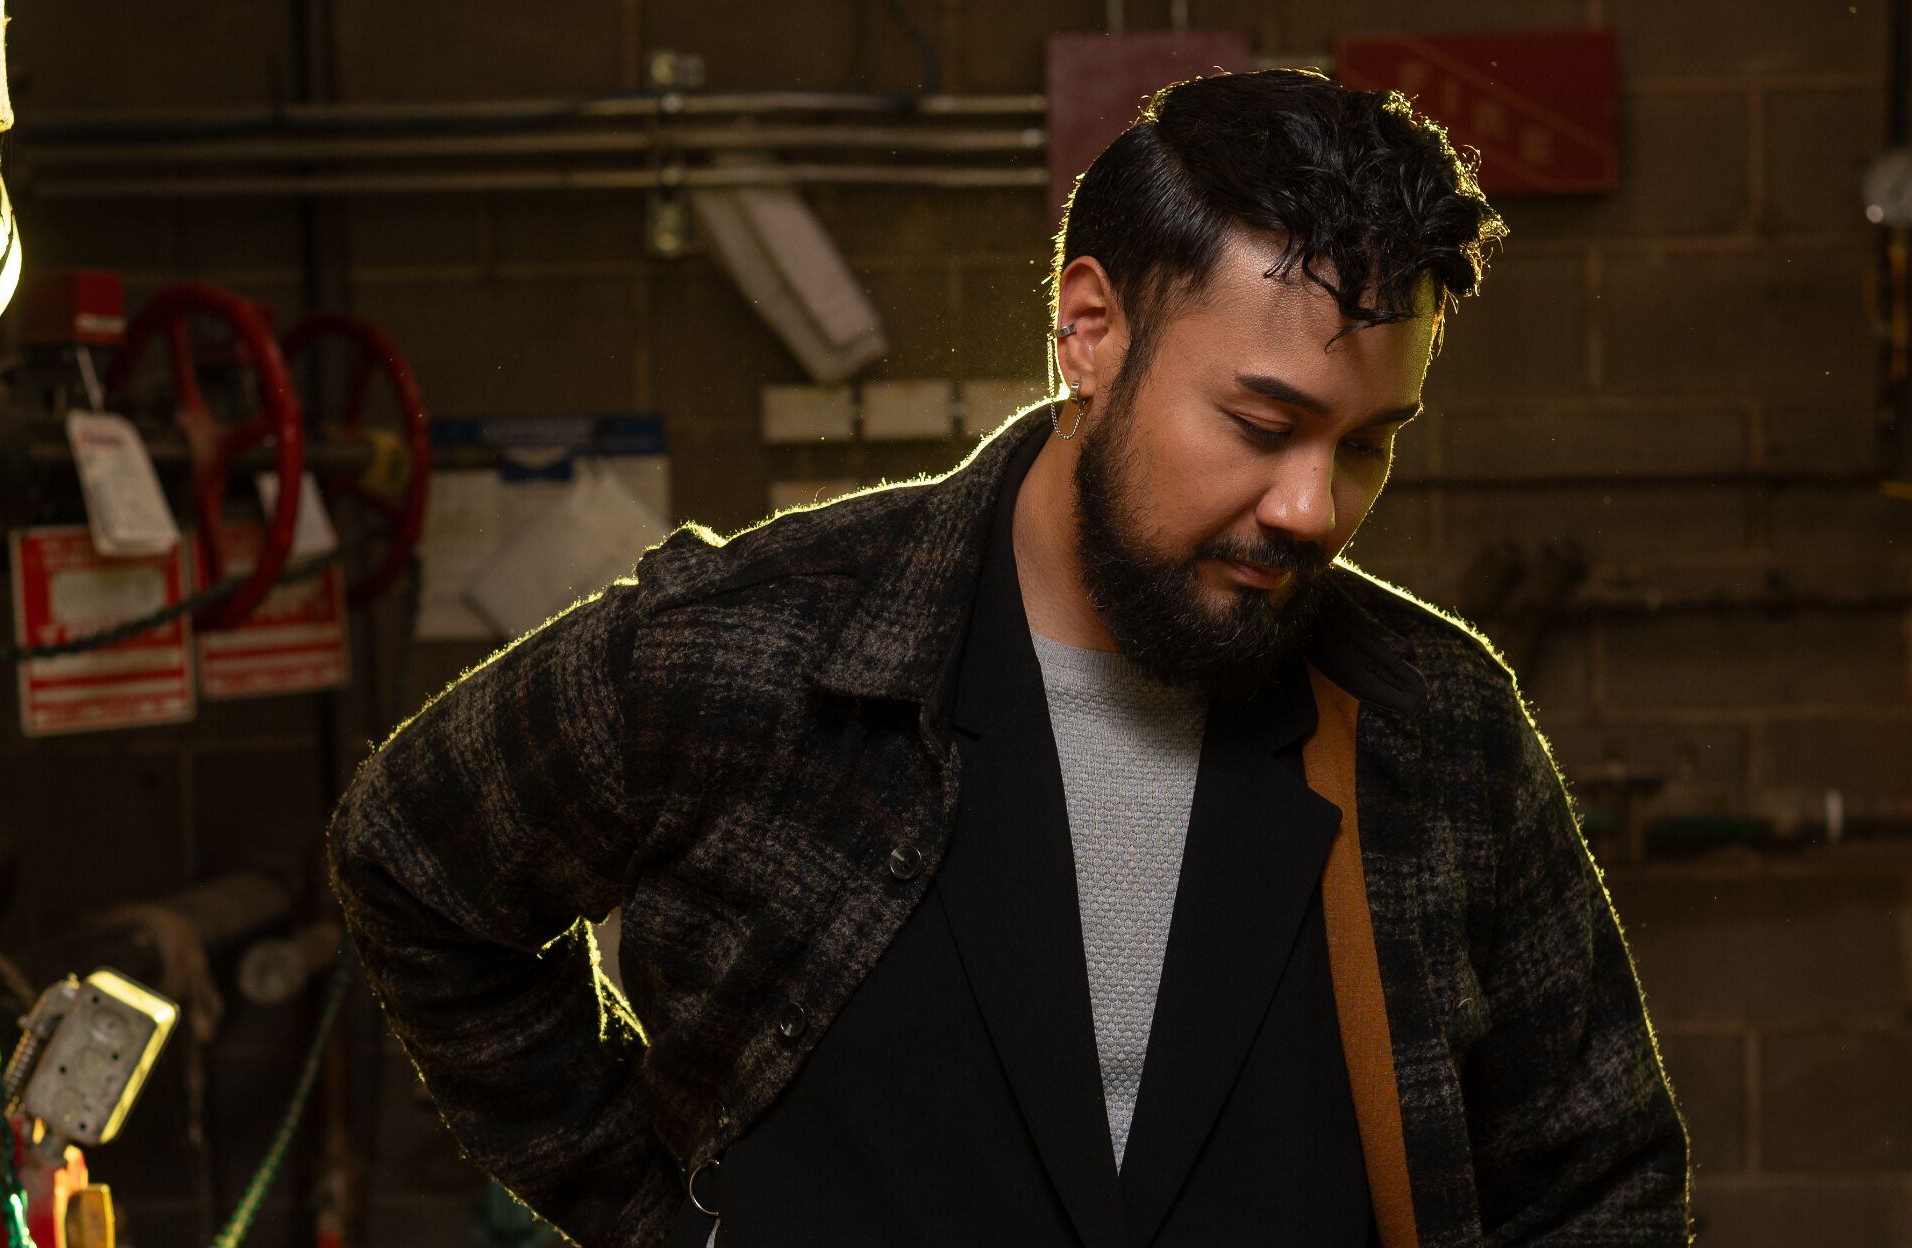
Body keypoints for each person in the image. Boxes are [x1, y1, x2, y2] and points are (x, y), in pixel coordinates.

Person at [327, 69, 1690, 1248]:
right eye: (1261, 421)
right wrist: (655, 1215)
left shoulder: (1434, 725)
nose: (1311, 508)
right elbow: (412, 859)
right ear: (1089, 328)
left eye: (1368, 442)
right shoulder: (754, 650)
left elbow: (1599, 1177)